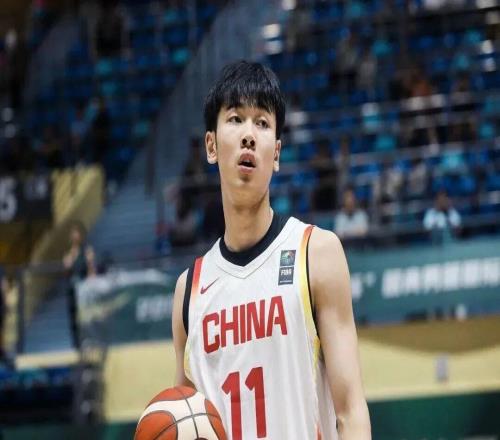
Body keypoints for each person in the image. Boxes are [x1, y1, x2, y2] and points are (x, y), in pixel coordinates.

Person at [172, 61, 371, 439]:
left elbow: (351, 411)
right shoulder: (189, 291)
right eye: (235, 119)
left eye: (262, 123)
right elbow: (186, 422)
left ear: (276, 153)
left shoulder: (316, 253)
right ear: (211, 146)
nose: (249, 135)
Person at [62, 221, 96, 349]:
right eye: (72, 233)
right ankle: (76, 344)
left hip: (84, 288)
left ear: (81, 235)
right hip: (72, 289)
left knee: (86, 318)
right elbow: (66, 270)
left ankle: (89, 341)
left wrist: (91, 284)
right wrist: (69, 259)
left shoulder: (86, 250)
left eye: (76, 233)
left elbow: (91, 269)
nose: (74, 235)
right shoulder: (69, 252)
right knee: (74, 317)